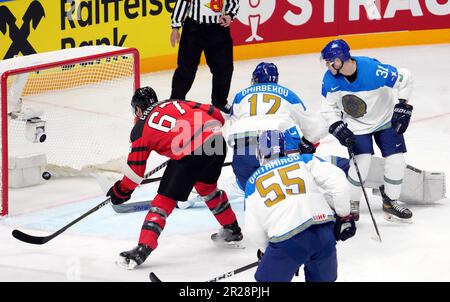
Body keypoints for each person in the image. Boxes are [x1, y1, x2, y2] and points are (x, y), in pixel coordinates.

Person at [109, 87, 243, 270]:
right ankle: (232, 229)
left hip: (191, 151)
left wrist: (120, 191)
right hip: (216, 140)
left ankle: (143, 248)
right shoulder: (173, 101)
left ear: (138, 110)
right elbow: (215, 113)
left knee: (163, 201)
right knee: (207, 188)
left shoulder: (139, 129)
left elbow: (135, 174)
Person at [320, 39, 414, 222]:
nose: (327, 65)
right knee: (361, 163)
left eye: (329, 61)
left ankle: (390, 201)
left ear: (339, 61)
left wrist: (403, 105)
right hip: (357, 125)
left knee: (396, 161)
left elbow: (406, 77)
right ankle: (352, 203)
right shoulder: (329, 79)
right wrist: (336, 125)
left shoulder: (373, 69)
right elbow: (327, 108)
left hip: (385, 120)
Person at [244, 130, 356, 282]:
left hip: (286, 240)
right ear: (284, 147)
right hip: (323, 232)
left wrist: (266, 250)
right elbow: (337, 179)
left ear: (260, 151)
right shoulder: (304, 160)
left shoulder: (253, 182)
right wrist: (344, 215)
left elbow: (252, 229)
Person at [222, 62, 328, 190]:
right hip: (276, 143)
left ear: (255, 79)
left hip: (244, 145)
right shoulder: (287, 94)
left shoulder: (240, 96)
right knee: (284, 184)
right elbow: (314, 126)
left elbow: (231, 125)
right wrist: (308, 142)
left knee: (249, 189)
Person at [170, 0, 240, 114]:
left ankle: (220, 101)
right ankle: (176, 101)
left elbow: (233, 2)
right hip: (193, 29)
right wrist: (175, 27)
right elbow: (182, 2)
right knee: (186, 68)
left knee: (224, 68)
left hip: (218, 28)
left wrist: (230, 15)